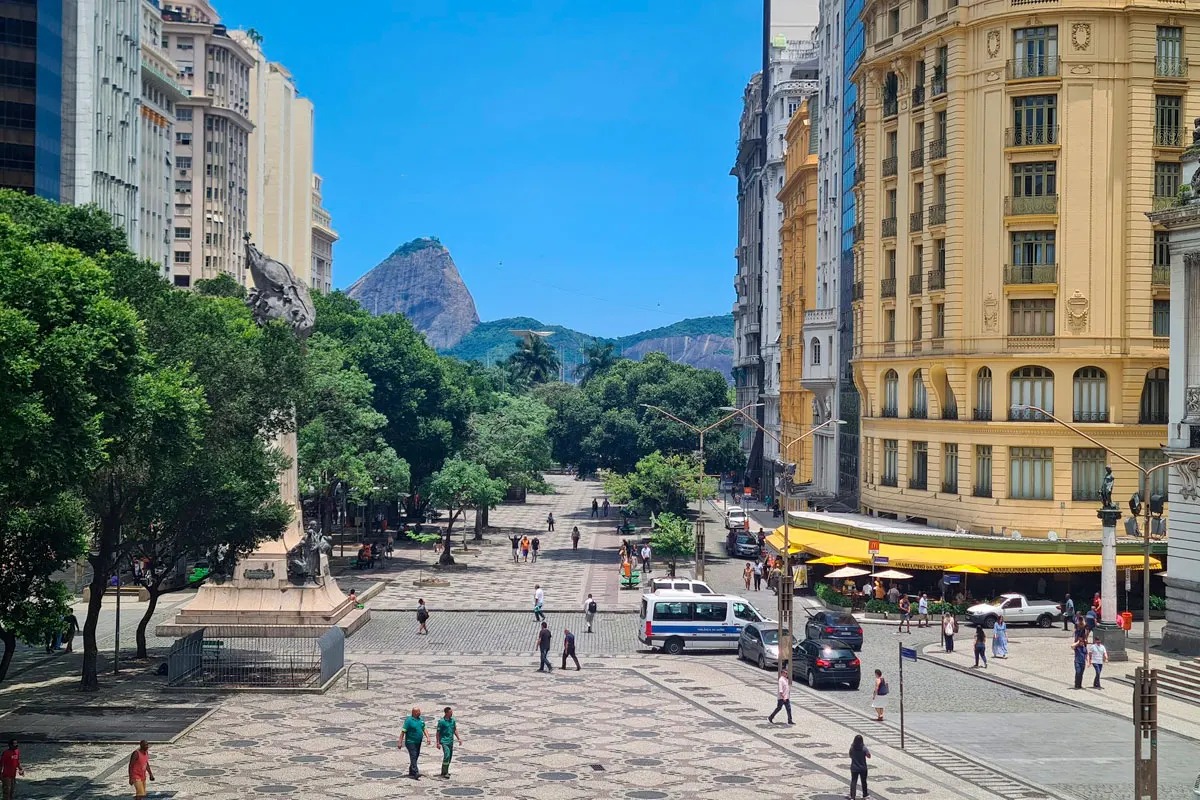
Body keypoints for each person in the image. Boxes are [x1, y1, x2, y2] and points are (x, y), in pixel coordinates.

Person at [399, 707, 432, 779]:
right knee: (413, 755)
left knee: (416, 756)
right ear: (413, 713)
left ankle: (411, 770)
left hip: (418, 742)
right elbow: (403, 732)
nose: (420, 712)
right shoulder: (408, 721)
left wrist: (428, 737)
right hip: (410, 742)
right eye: (418, 712)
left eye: (419, 711)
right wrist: (400, 742)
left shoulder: (420, 720)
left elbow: (424, 728)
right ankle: (415, 772)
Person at [436, 707, 462, 779]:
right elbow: (438, 733)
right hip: (444, 741)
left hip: (451, 741)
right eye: (450, 712)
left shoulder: (452, 721)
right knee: (447, 755)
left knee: (449, 757)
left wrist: (459, 739)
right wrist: (438, 743)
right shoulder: (441, 722)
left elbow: (454, 730)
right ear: (446, 713)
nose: (452, 713)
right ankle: (445, 772)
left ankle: (444, 771)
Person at [848, 734, 871, 800]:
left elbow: (850, 755)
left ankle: (852, 796)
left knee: (853, 781)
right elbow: (869, 756)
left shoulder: (852, 748)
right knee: (863, 781)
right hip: (863, 767)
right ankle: (865, 794)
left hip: (854, 767)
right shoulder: (864, 748)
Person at [1072, 622, 1088, 689]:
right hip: (1077, 662)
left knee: (1081, 674)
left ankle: (1079, 685)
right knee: (1078, 672)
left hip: (1083, 662)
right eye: (1081, 642)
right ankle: (1076, 684)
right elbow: (1072, 646)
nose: (1081, 643)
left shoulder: (1084, 648)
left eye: (1082, 642)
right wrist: (1078, 642)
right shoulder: (1077, 647)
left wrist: (1088, 661)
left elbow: (1086, 654)